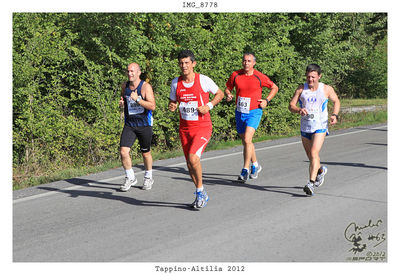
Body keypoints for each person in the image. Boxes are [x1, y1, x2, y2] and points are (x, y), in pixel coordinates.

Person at [168, 50, 224, 209]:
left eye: (187, 63)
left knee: (193, 158)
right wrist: (172, 106)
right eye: (181, 63)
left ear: (193, 64)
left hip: (202, 127)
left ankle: (200, 192)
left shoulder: (203, 80)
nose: (184, 66)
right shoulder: (175, 83)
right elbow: (173, 102)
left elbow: (219, 94)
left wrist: (209, 106)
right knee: (189, 163)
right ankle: (201, 191)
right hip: (185, 129)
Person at [225, 52, 279, 182]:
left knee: (248, 139)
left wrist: (266, 100)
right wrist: (228, 94)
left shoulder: (259, 76)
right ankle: (255, 164)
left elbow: (274, 87)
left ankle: (245, 169)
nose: (246, 63)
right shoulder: (235, 75)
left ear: (254, 63)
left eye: (249, 61)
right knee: (246, 142)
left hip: (254, 111)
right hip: (240, 111)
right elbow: (228, 88)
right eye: (244, 61)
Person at [288, 64, 340, 196]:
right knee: (311, 157)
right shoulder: (301, 89)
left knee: (314, 151)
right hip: (305, 126)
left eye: (313, 77)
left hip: (320, 126)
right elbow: (291, 105)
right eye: (308, 76)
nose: (310, 79)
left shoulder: (326, 89)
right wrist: (299, 110)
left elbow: (336, 101)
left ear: (319, 76)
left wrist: (334, 115)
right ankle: (320, 171)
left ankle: (310, 183)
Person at [119, 63, 156, 191]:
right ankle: (130, 177)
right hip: (130, 124)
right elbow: (123, 97)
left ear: (138, 72)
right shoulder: (125, 86)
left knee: (145, 153)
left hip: (144, 124)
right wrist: (122, 102)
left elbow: (152, 106)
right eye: (128, 71)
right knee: (123, 151)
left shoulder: (145, 87)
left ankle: (148, 177)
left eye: (132, 71)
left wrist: (138, 100)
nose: (130, 74)